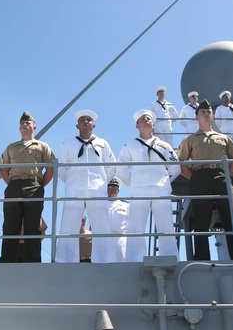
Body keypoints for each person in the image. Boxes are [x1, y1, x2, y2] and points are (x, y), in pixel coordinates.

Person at [177, 100, 233, 261]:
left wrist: (227, 175)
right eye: (202, 111)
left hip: (221, 175)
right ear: (196, 117)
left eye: (208, 111)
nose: (206, 113)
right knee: (201, 219)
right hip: (200, 176)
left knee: (230, 215)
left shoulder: (223, 138)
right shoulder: (191, 139)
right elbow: (181, 163)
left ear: (213, 116)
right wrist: (195, 178)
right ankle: (201, 257)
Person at [117, 109, 179, 261]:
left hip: (161, 190)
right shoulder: (129, 146)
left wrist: (163, 181)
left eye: (148, 119)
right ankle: (134, 258)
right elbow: (121, 169)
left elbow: (175, 167)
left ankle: (171, 256)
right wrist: (136, 183)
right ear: (137, 125)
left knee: (166, 226)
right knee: (136, 227)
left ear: (153, 124)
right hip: (139, 190)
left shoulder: (164, 146)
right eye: (142, 119)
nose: (146, 121)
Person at [56, 109, 117, 263]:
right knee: (69, 225)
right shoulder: (68, 144)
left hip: (97, 188)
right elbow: (62, 169)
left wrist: (101, 183)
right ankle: (65, 260)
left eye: (89, 119)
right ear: (77, 125)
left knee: (101, 225)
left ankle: (105, 259)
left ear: (94, 124)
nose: (85, 122)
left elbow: (111, 167)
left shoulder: (102, 143)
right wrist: (72, 181)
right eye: (82, 120)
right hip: (74, 188)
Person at [0, 111, 56, 263]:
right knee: (11, 225)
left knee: (32, 225)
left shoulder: (42, 146)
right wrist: (11, 184)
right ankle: (6, 261)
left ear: (34, 127)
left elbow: (51, 168)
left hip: (34, 186)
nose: (25, 125)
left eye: (28, 123)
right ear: (19, 127)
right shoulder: (11, 147)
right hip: (14, 185)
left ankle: (33, 261)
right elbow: (3, 169)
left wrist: (39, 185)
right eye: (22, 123)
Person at [106, 178, 129, 262]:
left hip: (121, 239)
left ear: (118, 191)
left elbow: (133, 221)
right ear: (107, 189)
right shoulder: (101, 204)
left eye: (115, 188)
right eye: (110, 187)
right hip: (105, 238)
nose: (113, 190)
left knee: (122, 264)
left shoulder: (125, 205)